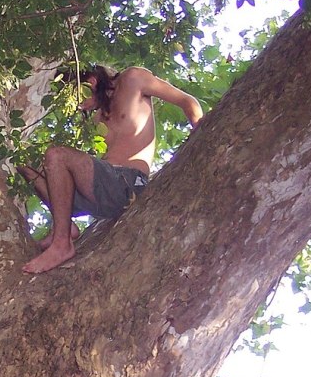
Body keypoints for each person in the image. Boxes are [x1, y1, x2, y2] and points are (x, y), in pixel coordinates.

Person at [18, 65, 203, 274]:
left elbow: (187, 101)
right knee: (22, 160)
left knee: (57, 155)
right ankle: (64, 224)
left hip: (128, 184)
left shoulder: (133, 79)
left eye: (78, 97)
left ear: (91, 82)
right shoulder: (98, 118)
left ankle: (61, 245)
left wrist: (201, 132)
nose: (79, 106)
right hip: (101, 192)